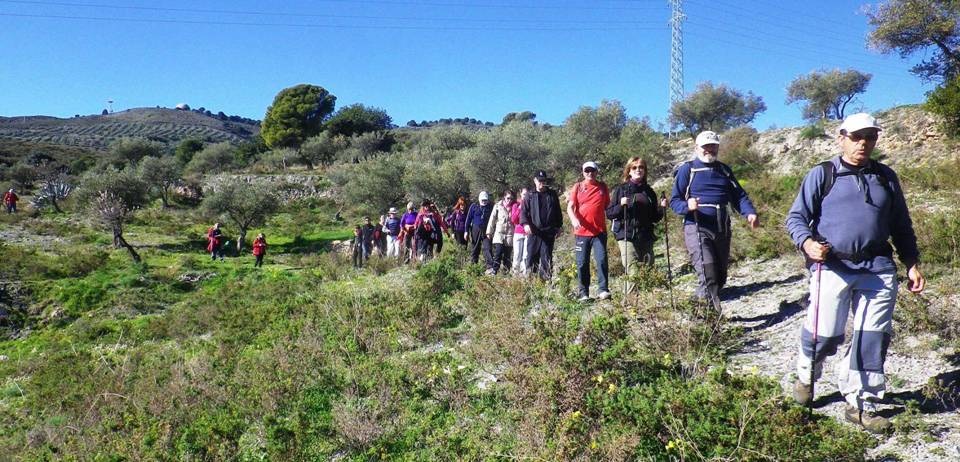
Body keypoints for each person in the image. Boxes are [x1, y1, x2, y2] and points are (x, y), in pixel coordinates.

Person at [785, 112, 925, 433]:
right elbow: (795, 218)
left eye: (870, 137)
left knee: (871, 337)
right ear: (842, 137)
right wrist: (807, 243)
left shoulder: (886, 177)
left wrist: (912, 263)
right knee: (825, 335)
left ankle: (861, 403)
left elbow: (901, 226)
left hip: (878, 268)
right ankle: (807, 375)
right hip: (832, 266)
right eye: (857, 136)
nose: (864, 143)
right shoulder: (823, 174)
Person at [670, 131, 759, 308]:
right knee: (707, 272)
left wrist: (749, 212)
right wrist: (688, 206)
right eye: (705, 146)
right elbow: (675, 201)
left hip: (722, 229)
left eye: (713, 146)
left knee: (719, 277)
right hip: (697, 228)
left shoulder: (724, 170)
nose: (709, 149)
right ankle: (712, 324)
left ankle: (697, 304)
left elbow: (739, 196)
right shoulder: (688, 169)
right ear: (697, 148)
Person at [605, 157, 666, 294]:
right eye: (634, 167)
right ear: (629, 171)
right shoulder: (622, 190)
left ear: (645, 171)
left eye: (641, 167)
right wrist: (621, 205)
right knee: (633, 270)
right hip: (626, 234)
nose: (638, 170)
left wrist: (662, 208)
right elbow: (609, 213)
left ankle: (646, 302)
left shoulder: (649, 191)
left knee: (648, 269)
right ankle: (631, 304)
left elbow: (655, 218)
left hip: (646, 235)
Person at [568, 161, 612, 301]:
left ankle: (603, 290)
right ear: (583, 172)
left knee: (601, 260)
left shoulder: (602, 187)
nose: (590, 173)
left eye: (592, 171)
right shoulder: (578, 187)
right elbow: (570, 207)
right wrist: (574, 220)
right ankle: (583, 293)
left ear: (596, 172)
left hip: (599, 232)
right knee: (582, 263)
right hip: (582, 233)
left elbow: (608, 207)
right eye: (587, 171)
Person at [520, 170, 563, 280]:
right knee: (531, 258)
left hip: (548, 232)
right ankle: (531, 283)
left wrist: (559, 227)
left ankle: (545, 284)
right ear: (535, 180)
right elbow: (524, 212)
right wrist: (525, 224)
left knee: (546, 259)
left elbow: (557, 211)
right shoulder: (529, 195)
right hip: (534, 233)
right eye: (539, 181)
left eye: (543, 180)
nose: (541, 183)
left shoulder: (552, 194)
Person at [485, 189, 515, 275]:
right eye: (508, 198)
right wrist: (489, 232)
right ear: (504, 197)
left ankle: (506, 272)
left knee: (507, 256)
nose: (510, 200)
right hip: (499, 234)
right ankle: (494, 271)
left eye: (511, 199)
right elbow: (492, 219)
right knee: (498, 253)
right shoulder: (498, 206)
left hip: (509, 235)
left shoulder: (514, 206)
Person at [465, 191, 494, 268]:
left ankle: (490, 267)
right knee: (475, 248)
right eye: (482, 200)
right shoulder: (474, 206)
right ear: (479, 199)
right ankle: (473, 266)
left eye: (485, 200)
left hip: (486, 230)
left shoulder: (490, 207)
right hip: (475, 229)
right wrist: (466, 231)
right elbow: (468, 219)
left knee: (487, 248)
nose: (484, 201)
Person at [510, 188, 529, 275]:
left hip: (528, 233)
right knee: (517, 254)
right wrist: (520, 208)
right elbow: (513, 219)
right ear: (521, 194)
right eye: (524, 194)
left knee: (525, 255)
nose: (525, 196)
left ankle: (523, 275)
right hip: (518, 232)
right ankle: (515, 274)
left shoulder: (530, 205)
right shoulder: (515, 205)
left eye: (527, 194)